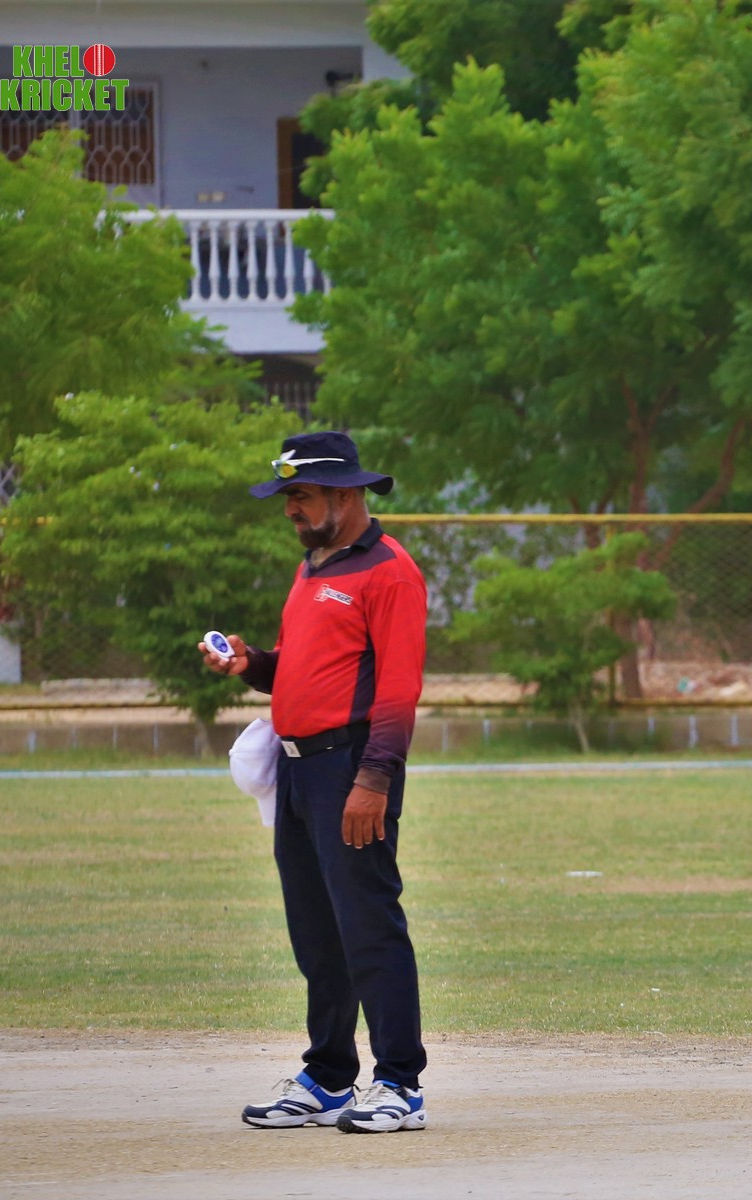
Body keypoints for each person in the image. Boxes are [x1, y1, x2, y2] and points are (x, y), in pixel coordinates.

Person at [200, 430, 429, 1134]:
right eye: (287, 497)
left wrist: (375, 779)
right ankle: (329, 1077)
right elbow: (301, 672)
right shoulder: (312, 569)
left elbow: (397, 692)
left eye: (300, 495)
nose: (290, 509)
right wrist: (252, 664)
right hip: (297, 772)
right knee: (317, 933)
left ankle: (400, 1084)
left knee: (368, 925)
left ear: (344, 494)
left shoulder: (390, 572)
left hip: (350, 769)